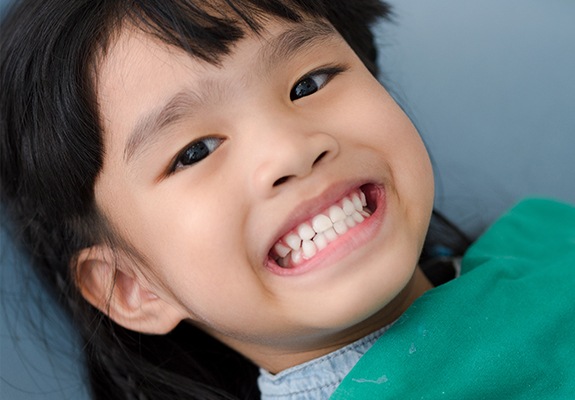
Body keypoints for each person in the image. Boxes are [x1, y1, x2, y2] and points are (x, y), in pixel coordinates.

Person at [1, 1, 573, 400]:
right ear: (131, 287)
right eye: (195, 150)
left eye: (310, 83)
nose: (291, 151)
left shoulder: (549, 243)